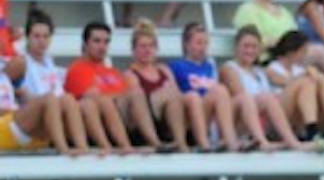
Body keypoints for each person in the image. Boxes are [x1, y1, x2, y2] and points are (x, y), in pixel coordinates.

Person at [5, 9, 94, 156]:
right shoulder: (20, 62)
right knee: (51, 99)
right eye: (37, 36)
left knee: (69, 99)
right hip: (27, 119)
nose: (41, 41)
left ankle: (83, 147)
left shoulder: (49, 63)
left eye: (46, 36)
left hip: (48, 119)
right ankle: (62, 148)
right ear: (28, 37)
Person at [64, 21, 163, 153]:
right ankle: (131, 145)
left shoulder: (112, 72)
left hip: (121, 117)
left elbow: (121, 96)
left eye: (106, 42)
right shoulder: (78, 68)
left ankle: (156, 142)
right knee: (126, 96)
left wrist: (117, 96)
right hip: (96, 120)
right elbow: (93, 97)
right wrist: (118, 96)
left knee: (138, 94)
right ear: (85, 44)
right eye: (97, 41)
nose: (102, 46)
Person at [219, 25, 316, 151]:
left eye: (254, 47)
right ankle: (270, 142)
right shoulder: (229, 68)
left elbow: (285, 83)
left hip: (262, 119)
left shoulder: (260, 71)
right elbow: (242, 97)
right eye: (245, 46)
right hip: (238, 119)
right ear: (236, 47)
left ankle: (310, 133)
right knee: (258, 98)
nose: (250, 51)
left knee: (304, 84)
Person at [169, 21, 256, 152]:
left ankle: (232, 140)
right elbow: (173, 96)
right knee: (213, 92)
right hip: (190, 115)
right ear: (186, 44)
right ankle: (205, 144)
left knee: (237, 96)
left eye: (205, 43)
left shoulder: (210, 66)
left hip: (210, 115)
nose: (203, 47)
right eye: (198, 43)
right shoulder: (176, 66)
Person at [126, 20, 191, 153]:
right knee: (161, 95)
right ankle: (156, 143)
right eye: (142, 46)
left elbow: (177, 94)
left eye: (151, 46)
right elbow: (135, 103)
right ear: (134, 50)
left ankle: (181, 143)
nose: (147, 50)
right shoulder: (129, 74)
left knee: (183, 97)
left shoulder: (164, 70)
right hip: (144, 122)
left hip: (166, 118)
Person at [233, 0, 299, 51]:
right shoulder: (247, 10)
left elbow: (295, 36)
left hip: (290, 56)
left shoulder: (284, 12)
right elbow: (250, 42)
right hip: (265, 57)